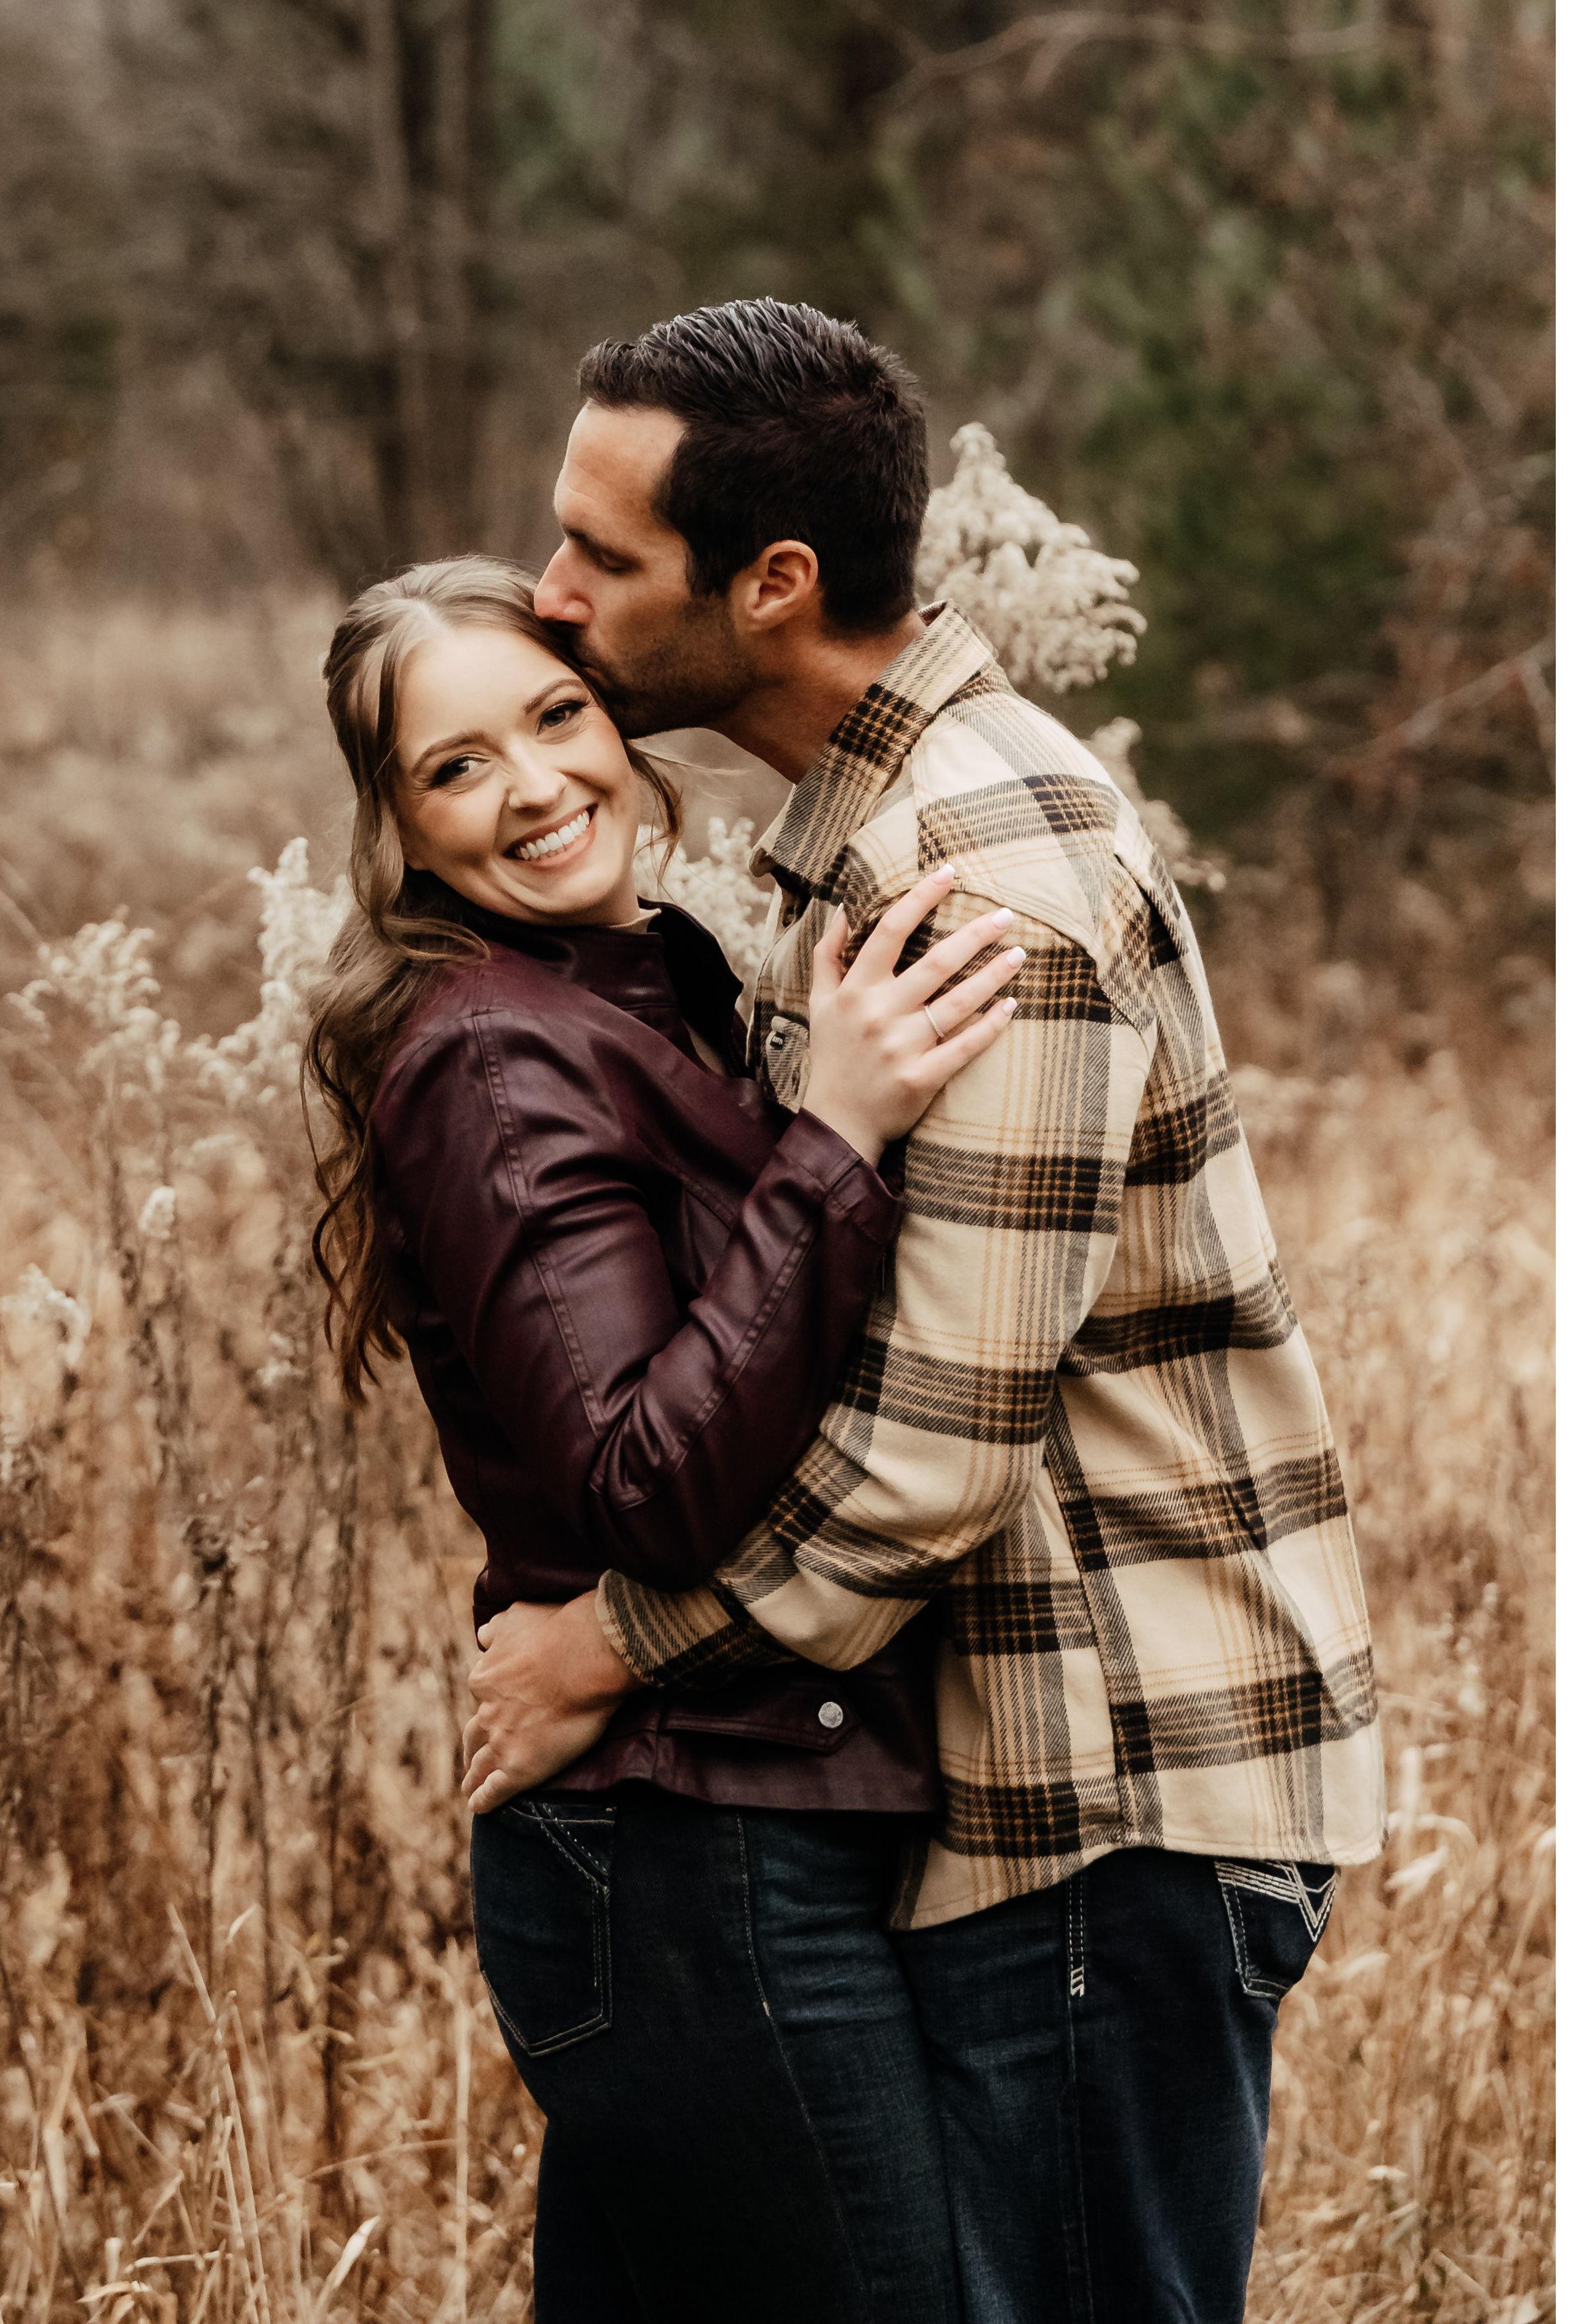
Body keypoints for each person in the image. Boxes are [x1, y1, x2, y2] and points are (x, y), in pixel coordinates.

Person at [462, 300, 1387, 2324]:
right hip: (1032, 1785)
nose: (551, 596)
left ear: (773, 585)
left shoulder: (979, 888)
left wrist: (611, 1644)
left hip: (1110, 1783)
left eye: (602, 554)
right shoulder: (887, 836)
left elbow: (934, 1462)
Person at [301, 557, 1027, 2324]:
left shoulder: (653, 982)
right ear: (398, 832)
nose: (535, 786)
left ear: (616, 721)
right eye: (456, 767)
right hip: (688, 1853)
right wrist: (835, 1138)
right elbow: (644, 1476)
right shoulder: (496, 1058)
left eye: (555, 716)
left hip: (734, 1817)